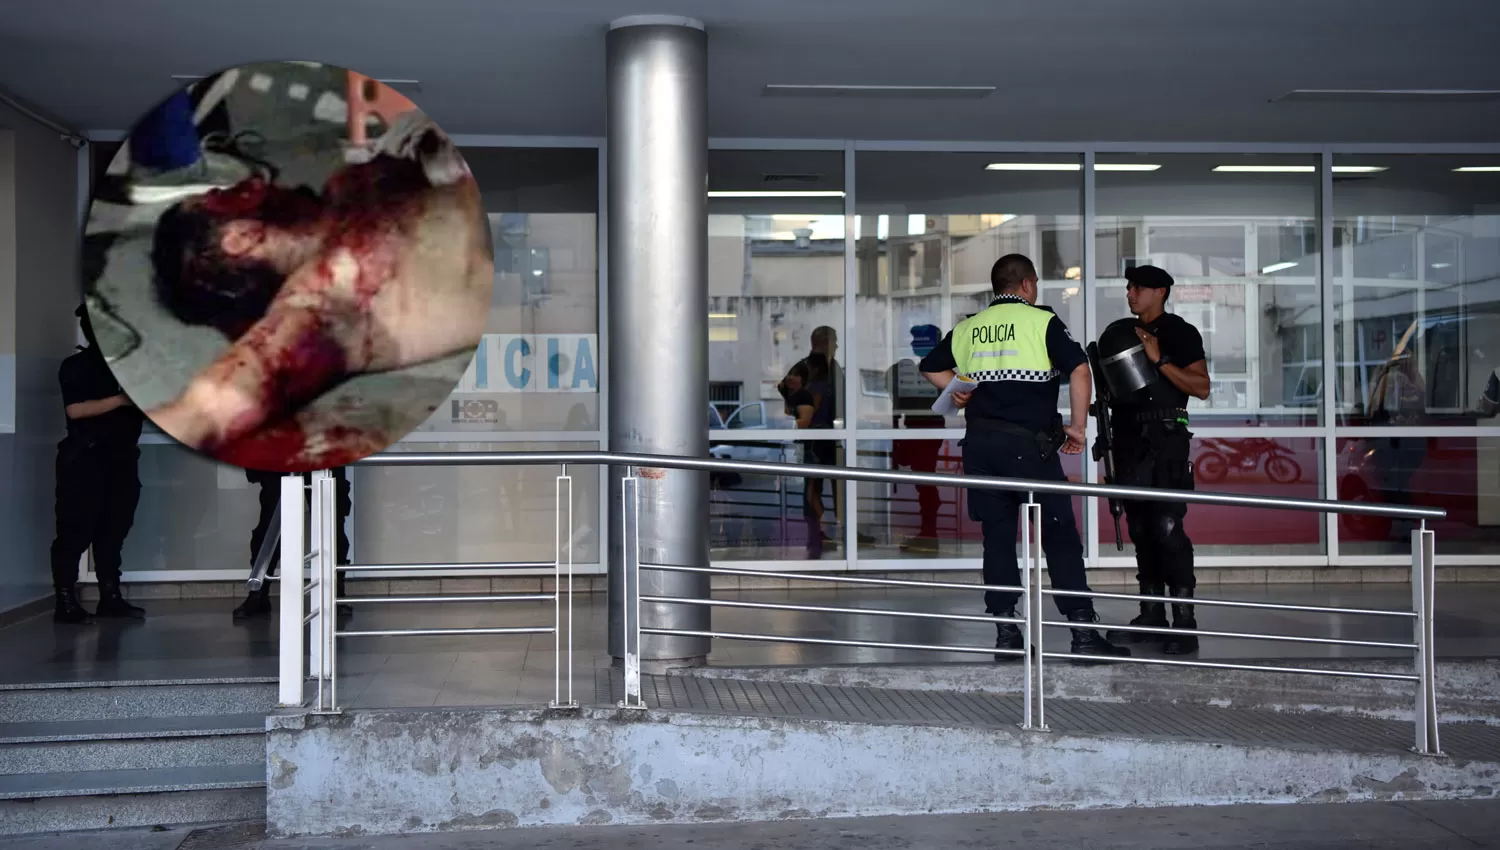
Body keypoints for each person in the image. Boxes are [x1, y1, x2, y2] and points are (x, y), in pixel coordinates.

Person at [143, 116, 493, 471]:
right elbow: (208, 409)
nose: (253, 181)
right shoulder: (323, 299)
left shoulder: (347, 189)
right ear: (241, 237)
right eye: (227, 196)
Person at [919, 254, 1127, 660]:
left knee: (996, 540)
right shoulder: (1041, 322)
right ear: (1028, 285)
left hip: (980, 448)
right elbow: (1080, 370)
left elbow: (931, 367)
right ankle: (1083, 634)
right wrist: (1080, 428)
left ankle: (1006, 635)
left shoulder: (969, 327)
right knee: (1060, 536)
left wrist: (961, 394)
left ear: (997, 287)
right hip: (1029, 449)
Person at [1100, 265, 1211, 655]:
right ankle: (1152, 613)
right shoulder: (1120, 333)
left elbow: (1201, 388)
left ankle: (1184, 620)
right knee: (1141, 529)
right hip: (1128, 442)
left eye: (1139, 288)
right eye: (1128, 286)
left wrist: (1160, 360)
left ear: (1161, 291)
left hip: (1166, 439)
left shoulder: (1180, 332)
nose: (1131, 293)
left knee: (1166, 526)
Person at [49, 304, 148, 624]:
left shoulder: (128, 367)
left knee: (113, 530)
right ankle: (65, 602)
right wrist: (121, 400)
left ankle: (111, 598)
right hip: (85, 460)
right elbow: (75, 411)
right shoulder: (77, 365)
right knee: (75, 530)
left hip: (121, 459)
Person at [234, 467, 353, 622]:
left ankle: (335, 593)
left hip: (323, 452)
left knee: (331, 523)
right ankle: (258, 593)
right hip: (282, 454)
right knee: (269, 524)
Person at [886, 325, 946, 553]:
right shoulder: (913, 369)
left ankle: (929, 534)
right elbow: (898, 407)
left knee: (925, 481)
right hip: (917, 429)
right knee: (924, 481)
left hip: (926, 430)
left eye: (916, 340)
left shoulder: (935, 368)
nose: (912, 344)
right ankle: (928, 533)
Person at [786, 355, 839, 556]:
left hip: (819, 443)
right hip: (818, 443)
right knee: (814, 489)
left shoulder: (813, 388)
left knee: (814, 488)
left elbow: (803, 416)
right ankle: (817, 532)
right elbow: (805, 417)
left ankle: (817, 532)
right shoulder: (817, 387)